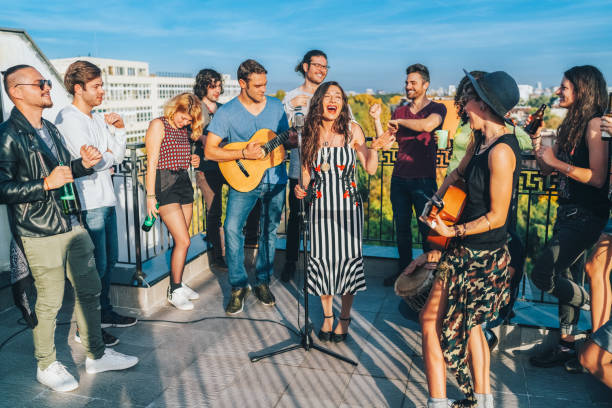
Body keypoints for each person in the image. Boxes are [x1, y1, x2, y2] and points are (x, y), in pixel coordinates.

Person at [0, 65, 138, 392]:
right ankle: (45, 364)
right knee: (48, 300)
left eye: (47, 82)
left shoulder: (49, 128)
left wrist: (83, 165)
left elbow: (66, 171)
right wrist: (43, 184)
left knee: (89, 288)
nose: (48, 87)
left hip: (71, 221)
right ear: (17, 92)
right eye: (40, 83)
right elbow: (2, 187)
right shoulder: (8, 135)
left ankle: (96, 355)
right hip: (39, 229)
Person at [418, 70, 521, 407]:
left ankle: (439, 401)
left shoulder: (502, 152)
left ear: (484, 105)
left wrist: (453, 231)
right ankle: (483, 399)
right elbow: (457, 172)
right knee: (473, 326)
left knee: (432, 321)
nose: (464, 103)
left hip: (481, 258)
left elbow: (497, 217)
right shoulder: (482, 141)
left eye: (471, 98)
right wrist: (437, 200)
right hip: (463, 248)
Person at [295, 81, 395, 342]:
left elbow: (371, 168)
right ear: (319, 102)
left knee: (347, 263)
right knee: (323, 263)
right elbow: (306, 171)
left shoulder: (353, 130)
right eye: (328, 96)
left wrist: (375, 134)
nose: (333, 100)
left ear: (342, 104)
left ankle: (345, 317)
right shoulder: (309, 132)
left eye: (338, 96)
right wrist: (300, 188)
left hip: (348, 208)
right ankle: (327, 316)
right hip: (319, 207)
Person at [528, 65, 609, 368]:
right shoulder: (568, 125)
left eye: (564, 87)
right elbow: (547, 169)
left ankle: (586, 302)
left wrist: (556, 164)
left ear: (581, 90)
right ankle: (566, 345)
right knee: (565, 276)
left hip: (587, 215)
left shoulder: (595, 124)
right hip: (567, 210)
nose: (558, 91)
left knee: (542, 273)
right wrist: (540, 150)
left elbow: (598, 178)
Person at [55, 60, 137, 348]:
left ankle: (104, 314)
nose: (102, 91)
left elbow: (117, 154)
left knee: (109, 262)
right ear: (79, 88)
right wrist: (109, 153)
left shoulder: (95, 118)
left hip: (105, 198)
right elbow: (99, 161)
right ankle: (86, 327)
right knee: (93, 268)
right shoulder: (68, 119)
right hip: (88, 203)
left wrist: (119, 133)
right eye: (97, 86)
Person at [205, 59, 293, 315]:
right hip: (242, 181)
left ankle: (263, 282)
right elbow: (211, 150)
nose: (263, 89)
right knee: (232, 229)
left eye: (265, 84)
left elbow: (285, 140)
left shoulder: (277, 107)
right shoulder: (227, 112)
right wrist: (243, 152)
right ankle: (238, 286)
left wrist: (295, 139)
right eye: (257, 85)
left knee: (270, 230)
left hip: (276, 179)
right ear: (242, 83)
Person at [370, 64, 447, 286]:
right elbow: (384, 144)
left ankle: (428, 277)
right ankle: (404, 273)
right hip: (399, 179)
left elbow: (427, 125)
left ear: (425, 85)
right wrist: (377, 119)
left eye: (413, 82)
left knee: (427, 230)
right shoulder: (399, 111)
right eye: (406, 82)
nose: (408, 86)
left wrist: (400, 122)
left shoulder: (437, 108)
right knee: (402, 229)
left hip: (424, 181)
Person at [192, 68, 261, 269]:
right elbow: (192, 133)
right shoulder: (195, 108)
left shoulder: (224, 109)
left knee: (241, 205)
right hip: (206, 167)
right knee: (214, 211)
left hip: (230, 165)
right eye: (212, 86)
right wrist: (205, 142)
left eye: (219, 85)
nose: (216, 90)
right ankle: (218, 254)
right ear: (203, 86)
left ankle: (245, 244)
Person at [145, 92, 203, 310]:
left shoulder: (185, 130)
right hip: (164, 184)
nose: (185, 122)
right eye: (183, 116)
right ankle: (174, 290)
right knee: (184, 240)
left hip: (183, 182)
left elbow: (180, 154)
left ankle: (178, 283)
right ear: (175, 107)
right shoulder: (158, 125)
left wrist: (193, 158)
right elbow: (152, 163)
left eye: (189, 120)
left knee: (182, 239)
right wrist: (150, 197)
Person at [281, 50, 329, 282]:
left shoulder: (331, 95)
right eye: (317, 65)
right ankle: (290, 263)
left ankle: (320, 265)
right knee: (296, 218)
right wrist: (290, 108)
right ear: (305, 67)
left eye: (325, 67)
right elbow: (280, 132)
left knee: (323, 218)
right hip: (300, 167)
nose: (321, 70)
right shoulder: (292, 97)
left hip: (328, 167)